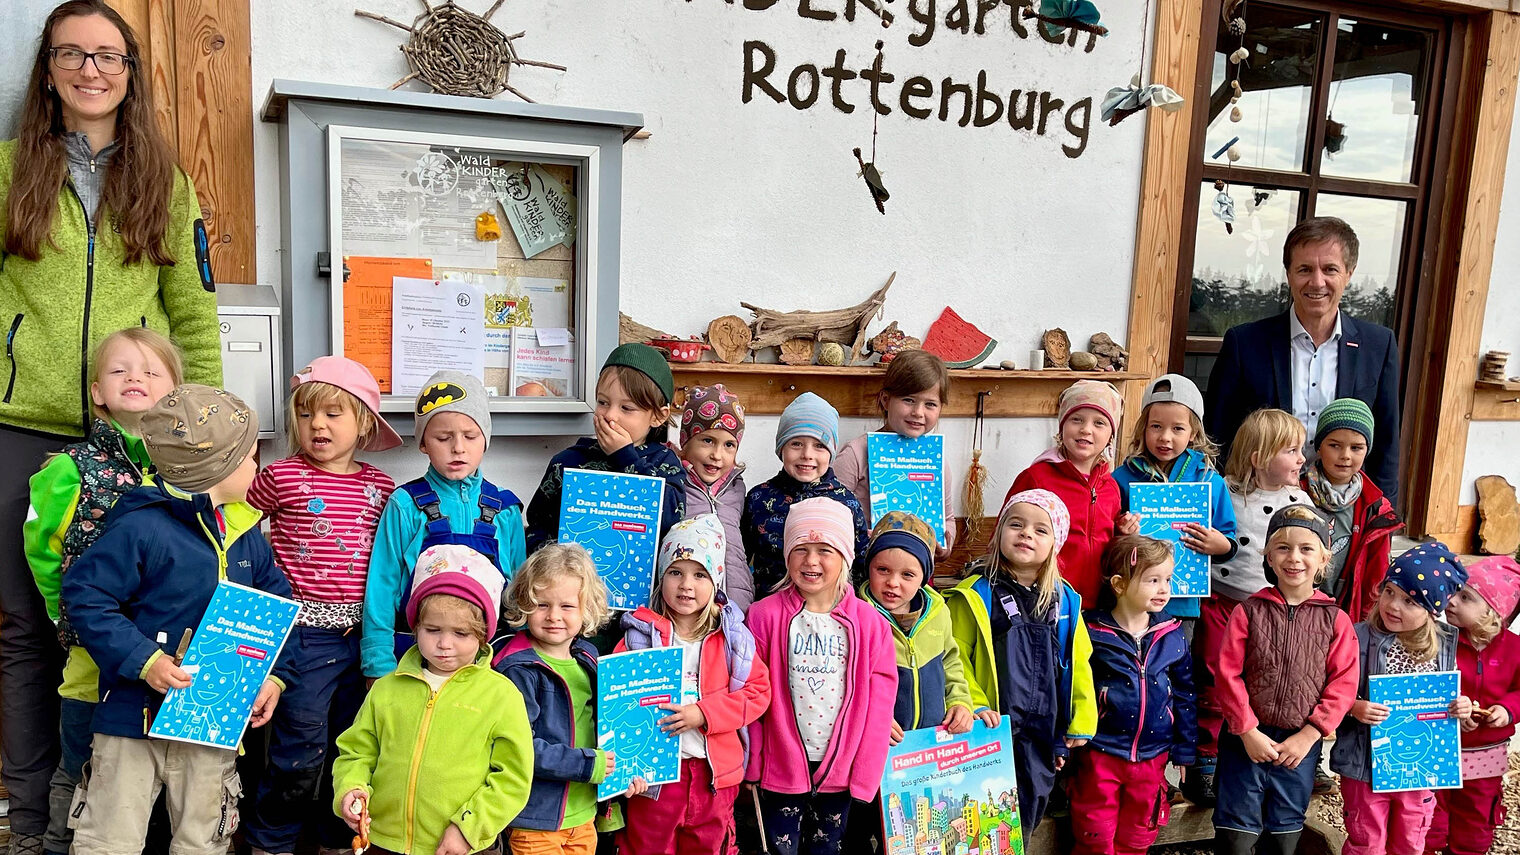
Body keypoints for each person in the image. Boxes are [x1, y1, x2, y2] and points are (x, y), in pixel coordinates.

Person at [1, 4, 223, 845]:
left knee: (138, 623)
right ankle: (32, 823)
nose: (91, 70)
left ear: (131, 71)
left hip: (138, 441)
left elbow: (193, 315)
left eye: (108, 55)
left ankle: (127, 817)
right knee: (28, 629)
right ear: (49, 69)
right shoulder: (7, 169)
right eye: (72, 54)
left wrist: (202, 436)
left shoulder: (166, 183)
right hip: (19, 427)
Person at [61, 385, 292, 855]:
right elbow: (86, 595)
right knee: (109, 837)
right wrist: (144, 660)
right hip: (131, 718)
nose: (256, 467)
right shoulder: (142, 526)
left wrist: (275, 678)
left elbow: (278, 609)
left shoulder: (246, 533)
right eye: (250, 456)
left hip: (212, 721)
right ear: (218, 465)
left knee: (204, 838)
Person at [22, 328, 180, 855]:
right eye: (120, 370)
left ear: (175, 393)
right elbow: (43, 548)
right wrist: (65, 616)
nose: (135, 378)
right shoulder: (69, 468)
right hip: (93, 656)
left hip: (168, 658)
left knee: (150, 774)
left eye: (152, 371)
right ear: (96, 392)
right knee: (83, 765)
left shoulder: (186, 470)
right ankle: (58, 845)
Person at [243, 356, 401, 855]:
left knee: (349, 744)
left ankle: (337, 839)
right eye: (308, 414)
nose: (318, 425)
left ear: (364, 424)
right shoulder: (281, 476)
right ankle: (272, 841)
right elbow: (236, 528)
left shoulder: (381, 488)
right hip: (302, 637)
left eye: (334, 414)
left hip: (364, 639)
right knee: (298, 748)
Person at [333, 544, 534, 855]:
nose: (444, 644)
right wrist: (351, 789)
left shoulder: (501, 696)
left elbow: (513, 778)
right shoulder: (386, 689)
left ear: (483, 635)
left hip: (460, 847)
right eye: (433, 629)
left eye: (461, 633)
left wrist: (469, 828)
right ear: (415, 627)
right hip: (384, 842)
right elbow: (357, 752)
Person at [1206, 217, 1401, 504]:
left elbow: (1386, 443)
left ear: (1349, 273)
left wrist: (1381, 517)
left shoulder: (1378, 345)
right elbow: (1217, 436)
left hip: (1344, 511)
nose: (1317, 281)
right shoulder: (1244, 343)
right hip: (1258, 508)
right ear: (1288, 274)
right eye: (1305, 269)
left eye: (1330, 269)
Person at [744, 498, 897, 855]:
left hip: (839, 772)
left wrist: (865, 774)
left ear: (845, 557)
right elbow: (751, 691)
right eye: (800, 549)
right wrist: (752, 763)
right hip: (779, 768)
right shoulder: (763, 616)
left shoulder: (870, 623)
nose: (811, 561)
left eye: (824, 550)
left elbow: (879, 703)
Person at [615, 515, 771, 855]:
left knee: (709, 847)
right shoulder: (639, 637)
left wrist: (704, 713)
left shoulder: (733, 639)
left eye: (700, 574)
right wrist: (626, 768)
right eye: (676, 572)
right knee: (646, 848)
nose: (687, 584)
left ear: (715, 581)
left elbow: (758, 693)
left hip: (714, 777)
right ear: (661, 578)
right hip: (654, 781)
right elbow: (618, 704)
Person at [946, 488, 1097, 832]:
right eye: (1016, 525)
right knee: (979, 819)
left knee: (1024, 816)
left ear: (1055, 544)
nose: (1026, 533)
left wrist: (1079, 720)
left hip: (1042, 732)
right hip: (989, 727)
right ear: (1000, 533)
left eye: (1040, 530)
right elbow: (955, 658)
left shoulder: (1065, 602)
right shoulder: (975, 594)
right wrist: (975, 704)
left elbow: (1079, 663)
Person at [1212, 505, 1359, 855]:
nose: (1294, 558)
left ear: (1324, 558)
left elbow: (1343, 683)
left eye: (1306, 549)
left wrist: (1309, 736)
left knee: (1285, 830)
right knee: (1236, 830)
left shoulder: (1335, 620)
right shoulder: (1248, 611)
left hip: (1299, 745)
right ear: (1268, 556)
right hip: (1245, 739)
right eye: (1283, 548)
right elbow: (1227, 673)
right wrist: (1247, 730)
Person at [362, 370, 524, 679]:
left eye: (470, 436)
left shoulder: (505, 510)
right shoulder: (405, 505)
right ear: (423, 443)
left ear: (486, 440)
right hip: (411, 657)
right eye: (443, 438)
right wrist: (377, 661)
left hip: (488, 662)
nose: (458, 448)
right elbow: (381, 587)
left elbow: (519, 592)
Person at [1193, 409, 1309, 804]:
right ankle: (1205, 759)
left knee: (1262, 680)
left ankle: (1257, 750)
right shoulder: (1224, 492)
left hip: (1272, 613)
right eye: (1291, 450)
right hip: (1222, 602)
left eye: (1300, 450)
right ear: (1259, 457)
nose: (1301, 458)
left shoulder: (1300, 501)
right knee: (1212, 678)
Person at [844, 511, 973, 855]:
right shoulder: (856, 616)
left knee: (910, 839)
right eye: (882, 570)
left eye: (907, 574)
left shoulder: (938, 613)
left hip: (923, 757)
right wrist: (873, 720)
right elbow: (848, 684)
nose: (892, 583)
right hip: (872, 756)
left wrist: (961, 702)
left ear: (924, 578)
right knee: (860, 831)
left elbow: (952, 663)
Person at [1333, 545, 1471, 855]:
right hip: (1364, 768)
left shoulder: (1445, 646)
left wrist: (1462, 706)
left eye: (1409, 601)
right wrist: (1354, 706)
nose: (1393, 605)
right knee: (1366, 843)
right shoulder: (1357, 638)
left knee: (1410, 841)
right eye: (1389, 592)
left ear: (1430, 609)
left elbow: (1452, 699)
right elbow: (1331, 691)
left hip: (1418, 771)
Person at [1073, 535, 1197, 855]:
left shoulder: (1171, 634)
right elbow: (1073, 686)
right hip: (1100, 751)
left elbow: (1184, 695)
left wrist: (1184, 750)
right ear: (1119, 583)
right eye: (1153, 580)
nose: (1164, 589)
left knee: (1139, 832)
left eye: (1167, 579)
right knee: (1094, 831)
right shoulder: (1090, 631)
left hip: (1152, 755)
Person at [494, 543, 618, 853]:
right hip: (535, 818)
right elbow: (522, 749)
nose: (553, 616)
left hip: (583, 815)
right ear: (524, 603)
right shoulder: (517, 668)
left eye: (567, 606)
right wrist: (589, 765)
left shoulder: (588, 658)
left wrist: (627, 769)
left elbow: (608, 725)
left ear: (586, 608)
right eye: (541, 605)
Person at [526, 343, 686, 554]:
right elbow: (538, 525)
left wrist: (626, 458)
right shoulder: (567, 461)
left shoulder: (665, 463)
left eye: (626, 408)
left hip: (641, 583)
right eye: (602, 402)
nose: (610, 415)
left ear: (658, 416)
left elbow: (671, 520)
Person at [1112, 373, 1239, 623]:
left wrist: (1219, 545)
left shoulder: (1209, 481)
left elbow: (1230, 539)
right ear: (1143, 428)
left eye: (1178, 428)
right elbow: (1110, 537)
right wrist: (1121, 531)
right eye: (1156, 426)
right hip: (1133, 601)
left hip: (1183, 602)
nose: (1165, 437)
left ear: (1193, 433)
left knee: (1178, 659)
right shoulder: (1122, 479)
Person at [1008, 380, 1140, 606]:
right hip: (1044, 602)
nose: (1086, 429)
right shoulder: (1037, 477)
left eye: (1099, 423)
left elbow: (1108, 545)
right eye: (1076, 419)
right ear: (1061, 427)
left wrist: (1123, 534)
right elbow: (1004, 536)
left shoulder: (1110, 486)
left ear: (1111, 436)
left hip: (1097, 604)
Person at [1427, 556, 1520, 855]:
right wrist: (1451, 708)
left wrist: (1507, 710)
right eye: (1454, 591)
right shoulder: (1439, 640)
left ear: (1494, 611)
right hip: (1439, 748)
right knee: (1430, 817)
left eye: (1465, 597)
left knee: (1477, 820)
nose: (1451, 600)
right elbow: (1425, 684)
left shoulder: (1515, 649)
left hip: (1485, 756)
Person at [833, 349, 957, 559]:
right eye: (908, 400)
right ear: (885, 400)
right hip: (863, 571)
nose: (918, 412)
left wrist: (945, 544)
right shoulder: (856, 453)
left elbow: (948, 518)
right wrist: (860, 536)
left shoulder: (936, 461)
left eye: (930, 404)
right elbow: (831, 513)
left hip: (916, 574)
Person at [743, 392, 870, 595]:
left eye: (819, 446)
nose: (807, 454)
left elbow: (861, 564)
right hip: (769, 613)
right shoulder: (758, 499)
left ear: (831, 452)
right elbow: (741, 558)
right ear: (781, 448)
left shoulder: (846, 503)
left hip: (829, 613)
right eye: (796, 444)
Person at [1301, 398, 1401, 621]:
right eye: (1334, 445)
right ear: (1318, 446)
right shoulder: (1297, 493)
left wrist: (1366, 622)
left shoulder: (1374, 508)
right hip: (1296, 607)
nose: (1345, 455)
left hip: (1346, 613)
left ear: (1367, 450)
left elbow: (1375, 576)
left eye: (1356, 447)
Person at [674, 384, 754, 611]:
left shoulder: (737, 489)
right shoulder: (675, 486)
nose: (717, 455)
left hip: (736, 605)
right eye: (707, 440)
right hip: (688, 606)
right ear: (686, 441)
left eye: (729, 445)